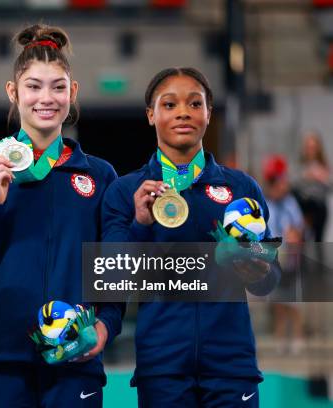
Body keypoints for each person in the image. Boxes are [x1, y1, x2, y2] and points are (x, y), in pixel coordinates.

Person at [0, 24, 122, 408]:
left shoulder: (100, 175)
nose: (47, 98)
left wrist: (106, 327)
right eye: (34, 86)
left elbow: (112, 268)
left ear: (73, 93)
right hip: (0, 355)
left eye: (58, 87)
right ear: (13, 92)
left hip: (76, 353)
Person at [102, 67, 280, 407]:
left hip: (231, 364)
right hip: (163, 366)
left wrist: (252, 264)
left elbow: (269, 278)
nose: (183, 112)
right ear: (150, 115)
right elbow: (113, 276)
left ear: (209, 114)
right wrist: (140, 222)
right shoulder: (125, 192)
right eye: (169, 105)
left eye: (195, 104)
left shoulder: (240, 188)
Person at [262, 155, 305, 355]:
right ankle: (280, 338)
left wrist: (294, 235)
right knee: (277, 302)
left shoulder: (290, 203)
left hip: (290, 260)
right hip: (273, 259)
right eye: (273, 184)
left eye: (278, 183)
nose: (277, 187)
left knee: (293, 301)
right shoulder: (266, 205)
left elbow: (298, 227)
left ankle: (297, 337)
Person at [294, 130, 330, 243]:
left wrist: (323, 177)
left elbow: (329, 185)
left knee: (318, 240)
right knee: (301, 238)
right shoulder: (300, 166)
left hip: (319, 207)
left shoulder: (324, 166)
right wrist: (306, 176)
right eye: (308, 147)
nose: (311, 150)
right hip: (303, 206)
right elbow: (293, 184)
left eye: (313, 147)